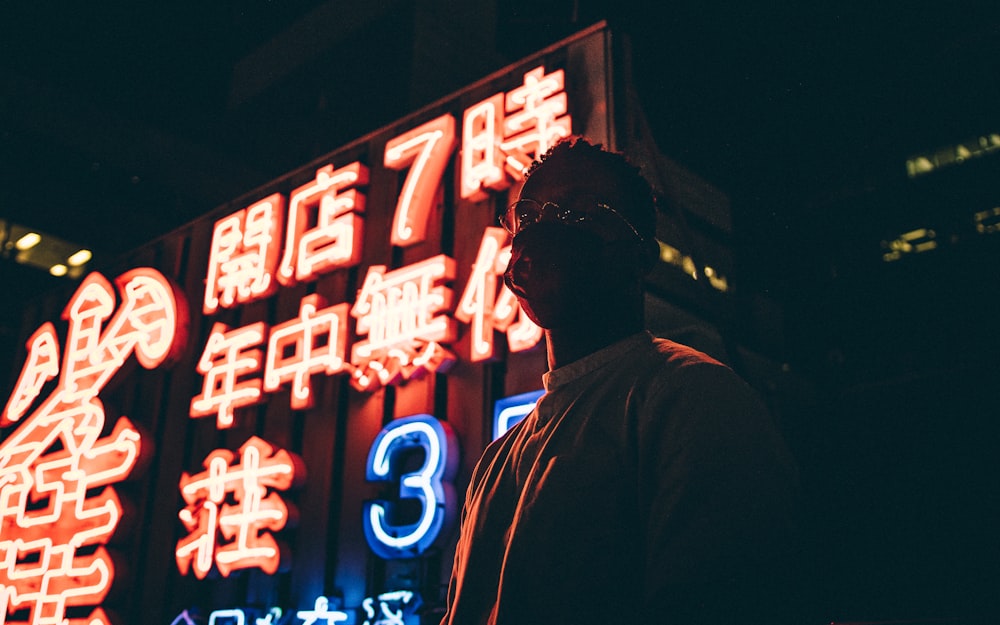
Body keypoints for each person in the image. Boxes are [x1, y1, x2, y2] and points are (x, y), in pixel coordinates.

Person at [440, 137, 800, 624]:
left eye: (581, 211)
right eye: (530, 215)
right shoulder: (495, 463)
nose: (546, 229)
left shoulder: (694, 399)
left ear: (639, 257)